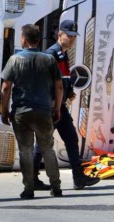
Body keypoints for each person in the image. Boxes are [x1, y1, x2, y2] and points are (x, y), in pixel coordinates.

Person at [33, 20, 100, 190]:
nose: (71, 39)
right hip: (51, 107)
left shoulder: (63, 54)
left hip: (59, 106)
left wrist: (69, 92)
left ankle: (79, 178)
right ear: (59, 34)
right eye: (68, 36)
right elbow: (44, 83)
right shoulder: (51, 55)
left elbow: (62, 80)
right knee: (42, 143)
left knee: (71, 139)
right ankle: (32, 178)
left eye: (73, 37)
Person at [1, 24, 63, 199]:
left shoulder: (14, 60)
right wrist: (57, 108)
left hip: (21, 112)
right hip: (44, 111)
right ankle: (56, 187)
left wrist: (4, 111)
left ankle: (29, 188)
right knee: (48, 149)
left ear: (24, 39)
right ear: (37, 40)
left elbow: (6, 88)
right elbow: (59, 86)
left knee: (25, 151)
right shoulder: (49, 60)